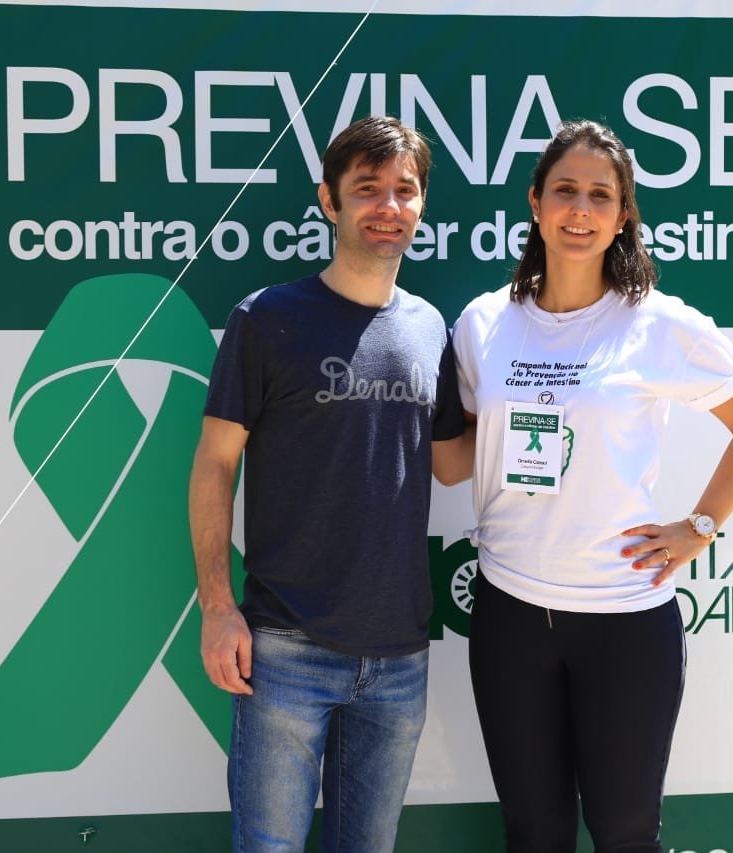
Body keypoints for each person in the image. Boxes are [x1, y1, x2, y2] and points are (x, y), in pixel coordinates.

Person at [452, 119, 733, 852]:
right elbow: (458, 454)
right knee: (533, 834)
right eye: (564, 190)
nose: (580, 209)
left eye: (601, 195)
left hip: (624, 618)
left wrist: (700, 526)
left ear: (624, 213)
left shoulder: (658, 324)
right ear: (535, 202)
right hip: (509, 612)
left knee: (626, 834)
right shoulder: (482, 323)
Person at [188, 116, 468, 853]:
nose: (388, 206)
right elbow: (215, 463)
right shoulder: (266, 318)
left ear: (421, 204)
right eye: (367, 188)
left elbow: (452, 462)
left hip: (400, 653)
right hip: (285, 647)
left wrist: (549, 405)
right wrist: (217, 607)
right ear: (328, 200)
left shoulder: (430, 329)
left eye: (405, 190)